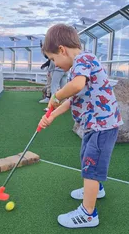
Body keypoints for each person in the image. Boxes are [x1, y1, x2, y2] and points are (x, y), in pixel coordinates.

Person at [39, 24, 123, 228]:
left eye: (53, 59)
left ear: (62, 50)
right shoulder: (80, 67)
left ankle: (88, 214)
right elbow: (73, 99)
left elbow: (74, 88)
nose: (56, 64)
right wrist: (52, 115)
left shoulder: (83, 60)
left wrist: (56, 95)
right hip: (94, 125)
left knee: (91, 167)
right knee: (88, 159)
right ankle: (97, 189)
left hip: (103, 126)